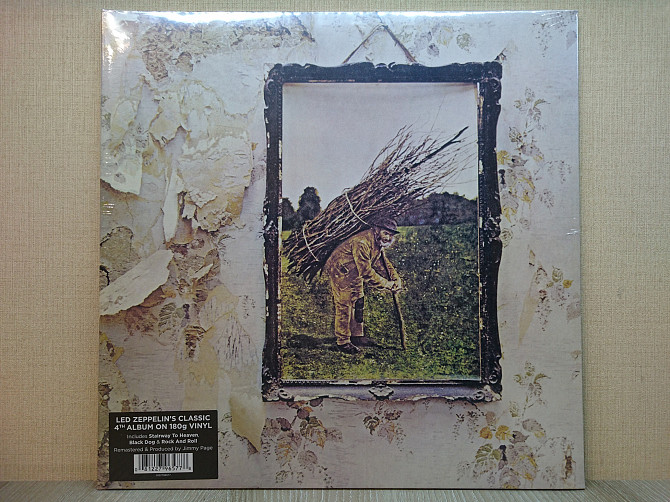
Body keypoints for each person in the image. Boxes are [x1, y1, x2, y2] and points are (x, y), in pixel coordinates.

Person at [324, 216, 402, 354]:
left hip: (355, 271)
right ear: (377, 230)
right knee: (344, 304)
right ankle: (343, 342)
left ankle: (357, 336)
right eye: (386, 233)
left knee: (358, 301)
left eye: (391, 235)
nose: (388, 238)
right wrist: (387, 284)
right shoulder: (362, 242)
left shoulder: (377, 242)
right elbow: (366, 273)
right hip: (341, 270)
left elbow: (383, 264)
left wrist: (396, 279)